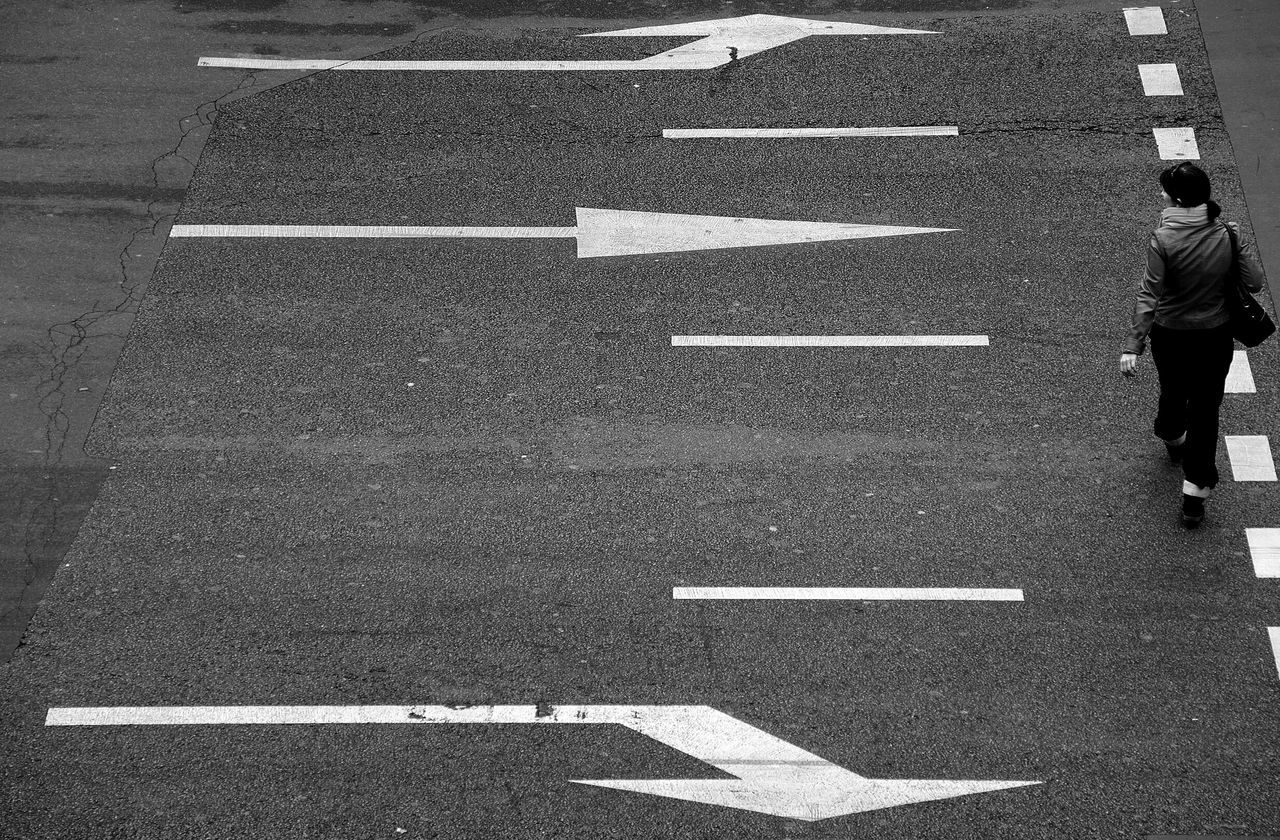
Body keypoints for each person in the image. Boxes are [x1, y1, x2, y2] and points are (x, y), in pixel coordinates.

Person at [1120, 162, 1266, 527]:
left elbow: (1149, 295)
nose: (1161, 194)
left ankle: (1171, 432)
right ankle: (1194, 493)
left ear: (1177, 199)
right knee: (1206, 409)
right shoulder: (1227, 234)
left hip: (1169, 336)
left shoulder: (1163, 239)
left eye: (1165, 190)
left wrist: (1133, 344)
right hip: (1214, 336)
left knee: (1172, 389)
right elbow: (1255, 283)